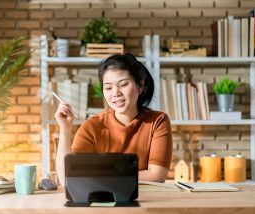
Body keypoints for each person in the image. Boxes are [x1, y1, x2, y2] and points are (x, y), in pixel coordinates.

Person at [55, 53, 172, 187]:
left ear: (139, 86)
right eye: (109, 87)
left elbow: (157, 175)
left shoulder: (158, 121)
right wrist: (65, 129)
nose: (116, 93)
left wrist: (99, 175)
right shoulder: (93, 125)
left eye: (123, 84)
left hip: (145, 201)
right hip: (102, 201)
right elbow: (67, 179)